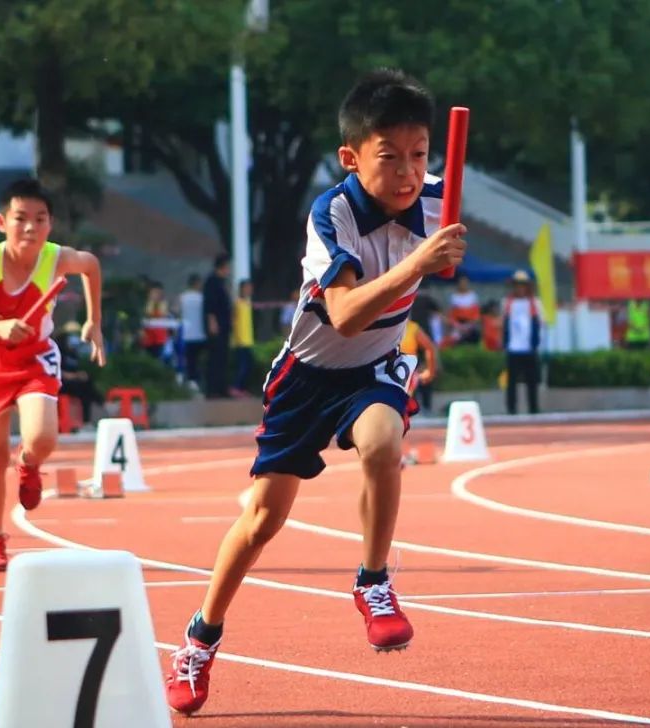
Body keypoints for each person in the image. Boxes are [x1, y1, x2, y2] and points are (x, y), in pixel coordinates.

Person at [164, 68, 466, 715]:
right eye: (391, 158)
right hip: (308, 373)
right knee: (263, 521)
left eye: (420, 155)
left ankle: (373, 580)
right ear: (352, 158)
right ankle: (200, 638)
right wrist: (421, 261)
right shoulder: (331, 214)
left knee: (385, 443)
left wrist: (443, 252)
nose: (410, 173)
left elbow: (398, 305)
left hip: (376, 366)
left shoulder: (441, 202)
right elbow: (346, 311)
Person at [0, 178, 105, 572]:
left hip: (34, 357)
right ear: (1, 222)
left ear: (50, 225)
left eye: (39, 219)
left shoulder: (56, 258)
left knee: (41, 437)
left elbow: (90, 265)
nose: (30, 228)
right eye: (20, 218)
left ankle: (28, 462)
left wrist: (94, 321)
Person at [502, 271, 543, 415]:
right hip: (513, 348)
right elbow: (505, 323)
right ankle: (511, 410)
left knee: (532, 382)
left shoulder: (535, 303)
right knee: (511, 383)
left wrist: (535, 342)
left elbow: (540, 323)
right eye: (517, 285)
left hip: (529, 348)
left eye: (522, 285)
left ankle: (534, 409)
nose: (520, 288)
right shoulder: (507, 303)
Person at [203, 254, 233, 399]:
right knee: (215, 357)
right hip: (217, 325)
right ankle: (212, 389)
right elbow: (210, 305)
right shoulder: (212, 282)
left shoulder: (222, 282)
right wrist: (212, 322)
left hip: (225, 326)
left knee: (223, 357)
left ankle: (222, 388)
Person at [401, 316, 438, 415]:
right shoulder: (387, 327)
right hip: (387, 370)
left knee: (407, 403)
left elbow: (429, 348)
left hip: (409, 370)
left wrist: (430, 371)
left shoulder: (413, 328)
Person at [229, 279, 254, 397]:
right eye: (247, 287)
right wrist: (237, 338)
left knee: (248, 365)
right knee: (242, 366)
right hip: (240, 341)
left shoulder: (248, 302)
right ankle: (236, 387)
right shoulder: (237, 303)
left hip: (248, 339)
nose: (250, 289)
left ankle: (242, 388)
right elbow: (234, 321)